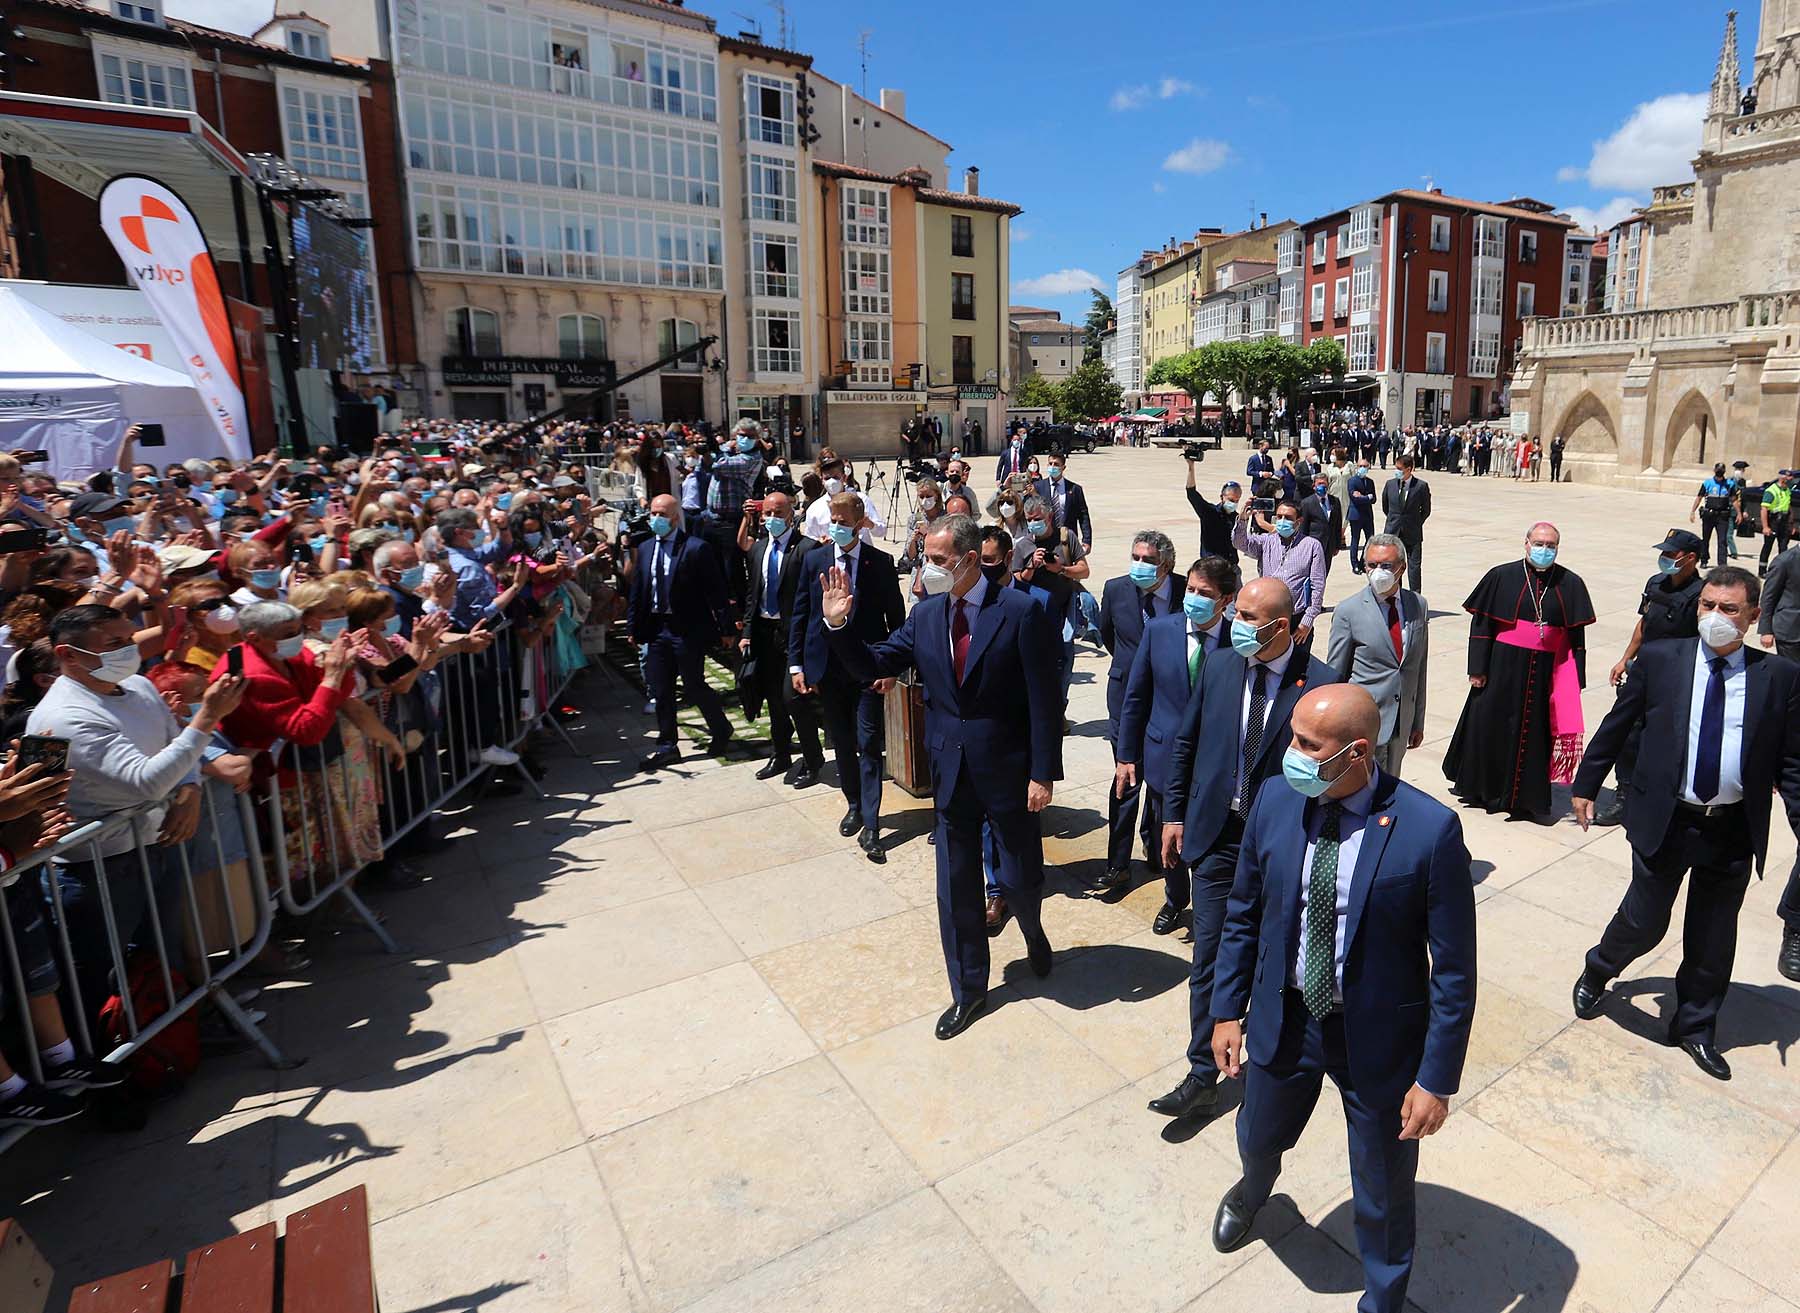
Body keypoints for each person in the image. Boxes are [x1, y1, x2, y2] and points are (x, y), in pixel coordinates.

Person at [1207, 684, 1477, 1313]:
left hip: (1378, 1042)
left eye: (1306, 744)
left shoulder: (1429, 830)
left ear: (1356, 754)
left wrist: (1436, 1078)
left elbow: (1455, 971)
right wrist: (1227, 1008)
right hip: (1286, 1015)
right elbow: (1244, 913)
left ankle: (1382, 1301)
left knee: (1382, 1191)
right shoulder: (1275, 799)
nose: (1289, 755)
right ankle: (1255, 1186)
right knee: (1257, 1130)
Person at [817, 515, 1060, 1039]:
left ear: (970, 561)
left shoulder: (1021, 611)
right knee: (956, 888)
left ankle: (1033, 929)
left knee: (1018, 878)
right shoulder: (926, 614)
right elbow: (874, 663)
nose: (927, 569)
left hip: (1008, 769)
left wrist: (1043, 773)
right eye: (924, 558)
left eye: (938, 561)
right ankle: (969, 990)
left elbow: (1044, 699)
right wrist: (839, 625)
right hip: (949, 768)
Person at [1570, 567, 1800, 1081]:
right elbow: (1618, 724)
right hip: (1667, 818)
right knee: (1645, 919)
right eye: (1708, 606)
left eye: (1730, 609)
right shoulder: (1661, 660)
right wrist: (1587, 783)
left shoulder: (1779, 676)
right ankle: (1600, 967)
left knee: (1713, 936)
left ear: (1754, 617)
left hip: (1732, 827)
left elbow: (1791, 760)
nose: (1715, 617)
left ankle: (1695, 1026)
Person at [1148, 577, 1340, 1120]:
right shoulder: (1222, 663)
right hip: (1217, 835)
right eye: (1238, 612)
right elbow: (1188, 741)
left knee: (1270, 956)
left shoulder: (1320, 685)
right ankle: (1201, 1072)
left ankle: (1270, 1059)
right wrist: (1175, 813)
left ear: (1281, 627)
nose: (1237, 623)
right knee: (1209, 956)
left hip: (1283, 846)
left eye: (1250, 617)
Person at [30, 604, 248, 1018]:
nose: (127, 650)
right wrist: (207, 718)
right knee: (103, 978)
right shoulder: (62, 718)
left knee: (162, 958)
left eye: (129, 640)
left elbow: (176, 749)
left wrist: (191, 790)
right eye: (113, 644)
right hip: (97, 870)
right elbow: (148, 780)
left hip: (154, 846)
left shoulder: (140, 687)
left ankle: (176, 1040)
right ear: (68, 655)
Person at [1115, 555, 1239, 933]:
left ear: (1226, 600)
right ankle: (1174, 898)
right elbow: (1136, 697)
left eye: (1205, 593)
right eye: (1191, 590)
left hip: (1214, 761)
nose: (1194, 598)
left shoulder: (1238, 642)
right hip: (1162, 754)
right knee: (1165, 831)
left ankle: (1208, 903)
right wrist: (1126, 756)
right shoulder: (1161, 631)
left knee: (1206, 833)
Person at [1443, 523, 1596, 822]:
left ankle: (1526, 799)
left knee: (1537, 731)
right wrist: (1477, 668)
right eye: (1539, 543)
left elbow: (1577, 637)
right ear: (1526, 544)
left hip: (1545, 673)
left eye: (1551, 545)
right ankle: (1485, 791)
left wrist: (1575, 677)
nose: (1544, 549)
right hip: (1502, 666)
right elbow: (1482, 625)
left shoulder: (1570, 582)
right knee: (1491, 725)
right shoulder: (1501, 576)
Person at [790, 492, 905, 861]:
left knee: (869, 743)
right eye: (831, 520)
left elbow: (896, 622)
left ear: (858, 522)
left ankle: (871, 824)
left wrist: (891, 669)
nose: (835, 526)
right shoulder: (815, 560)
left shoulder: (880, 563)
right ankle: (854, 803)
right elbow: (801, 615)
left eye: (842, 520)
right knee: (841, 740)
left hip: (869, 672)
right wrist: (797, 665)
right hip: (827, 668)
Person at [1594, 529, 1705, 826]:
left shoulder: (1702, 595)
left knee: (1667, 737)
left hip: (1677, 676)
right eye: (1664, 553)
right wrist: (1625, 658)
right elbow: (1644, 623)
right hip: (1642, 670)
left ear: (1691, 558)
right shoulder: (1655, 583)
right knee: (1628, 732)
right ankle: (1624, 795)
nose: (1665, 558)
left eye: (1671, 554)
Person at [1098, 531, 1183, 890]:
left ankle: (1155, 846)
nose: (1139, 565)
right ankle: (1117, 864)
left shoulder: (1184, 592)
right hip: (1125, 702)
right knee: (1126, 780)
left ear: (1166, 565)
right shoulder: (1116, 589)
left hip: (1168, 702)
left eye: (1148, 560)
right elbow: (1107, 635)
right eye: (1135, 556)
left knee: (1163, 782)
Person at [627, 494, 735, 770]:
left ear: (675, 517)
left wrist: (725, 628)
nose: (656, 519)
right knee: (661, 689)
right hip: (656, 628)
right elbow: (638, 591)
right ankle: (667, 745)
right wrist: (633, 627)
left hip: (687, 629)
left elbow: (716, 592)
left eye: (662, 514)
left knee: (693, 685)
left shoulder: (697, 549)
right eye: (652, 513)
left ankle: (720, 728)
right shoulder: (646, 547)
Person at [739, 488, 823, 787]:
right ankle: (781, 752)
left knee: (794, 699)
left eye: (778, 513)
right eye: (767, 514)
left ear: (792, 514)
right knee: (773, 698)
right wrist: (747, 633)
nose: (772, 518)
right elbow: (753, 595)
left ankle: (813, 760)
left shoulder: (807, 549)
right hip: (764, 634)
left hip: (794, 637)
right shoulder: (758, 549)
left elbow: (814, 599)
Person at [1326, 535, 1428, 778]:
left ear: (1401, 568)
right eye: (1372, 565)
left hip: (1401, 721)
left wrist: (1417, 721)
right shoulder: (1348, 611)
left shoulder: (1418, 605)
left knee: (1392, 786)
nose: (1378, 572)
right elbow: (1335, 674)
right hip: (1365, 722)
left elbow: (1419, 667)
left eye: (1386, 566)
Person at [1232, 500, 1327, 645]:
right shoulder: (1266, 541)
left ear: (1298, 521)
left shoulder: (1311, 546)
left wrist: (1307, 621)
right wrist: (1244, 518)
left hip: (1296, 619)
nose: (1282, 521)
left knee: (1297, 663)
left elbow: (1318, 586)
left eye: (1288, 518)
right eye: (1279, 517)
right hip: (1267, 616)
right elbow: (1240, 543)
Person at [1380, 455, 1430, 593]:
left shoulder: (1421, 486)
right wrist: (1394, 521)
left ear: (1409, 469)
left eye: (1399, 469)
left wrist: (1415, 522)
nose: (1397, 471)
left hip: (1412, 533)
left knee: (1414, 567)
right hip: (1393, 532)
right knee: (1393, 566)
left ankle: (1415, 596)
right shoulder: (1390, 484)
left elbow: (1426, 510)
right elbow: (1386, 507)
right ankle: (1397, 595)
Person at [1184, 459, 1240, 567]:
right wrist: (1191, 467)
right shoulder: (1209, 512)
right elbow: (1191, 493)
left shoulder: (1236, 517)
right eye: (1231, 500)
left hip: (1231, 566)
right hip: (1212, 566)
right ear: (1222, 497)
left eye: (1237, 500)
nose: (1233, 503)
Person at [1036, 453, 1092, 552]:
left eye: (1056, 464)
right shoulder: (1038, 487)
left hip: (1067, 539)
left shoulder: (1074, 489)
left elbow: (1083, 516)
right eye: (1050, 464)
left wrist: (1087, 540)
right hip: (1044, 539)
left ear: (1063, 467)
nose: (1052, 467)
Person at [1691, 462, 1738, 567]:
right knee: (1705, 538)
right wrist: (1693, 511)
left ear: (1724, 471)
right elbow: (1699, 497)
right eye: (1718, 470)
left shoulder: (1730, 484)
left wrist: (1739, 513)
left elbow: (1734, 500)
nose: (1719, 472)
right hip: (1709, 515)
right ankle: (1704, 560)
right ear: (1715, 470)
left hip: (1723, 516)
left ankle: (1722, 563)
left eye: (1721, 470)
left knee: (1722, 540)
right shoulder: (1707, 483)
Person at [1760, 468, 1794, 576]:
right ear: (1782, 478)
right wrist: (1765, 527)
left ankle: (1783, 571)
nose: (1790, 479)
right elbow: (1764, 509)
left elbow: (1788, 507)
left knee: (1783, 547)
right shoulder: (1771, 491)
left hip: (1784, 522)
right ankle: (1762, 570)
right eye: (1788, 477)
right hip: (1773, 521)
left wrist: (1791, 523)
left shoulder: (1787, 490)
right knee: (1768, 546)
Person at [1344, 459, 1376, 573]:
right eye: (1360, 466)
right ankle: (1355, 564)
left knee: (1370, 540)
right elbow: (1355, 498)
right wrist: (1367, 497)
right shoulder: (1352, 481)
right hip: (1356, 515)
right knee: (1355, 540)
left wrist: (1363, 497)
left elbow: (1374, 499)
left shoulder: (1370, 482)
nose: (1363, 468)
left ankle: (1363, 561)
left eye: (1365, 466)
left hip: (1367, 515)